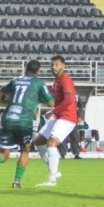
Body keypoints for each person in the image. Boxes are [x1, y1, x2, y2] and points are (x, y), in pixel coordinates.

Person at [0, 60, 54, 188]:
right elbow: (51, 103)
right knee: (25, 151)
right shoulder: (39, 83)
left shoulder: (16, 80)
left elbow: (1, 90)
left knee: (4, 154)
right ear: (38, 72)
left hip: (8, 119)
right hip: (24, 121)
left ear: (26, 68)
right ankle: (16, 181)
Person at [34, 55, 77, 187]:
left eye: (57, 65)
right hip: (59, 116)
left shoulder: (65, 79)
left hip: (68, 117)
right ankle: (55, 171)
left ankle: (52, 179)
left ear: (63, 66)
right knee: (38, 141)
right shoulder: (56, 81)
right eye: (52, 65)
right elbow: (55, 99)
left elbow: (70, 100)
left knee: (51, 142)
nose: (54, 67)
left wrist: (54, 111)